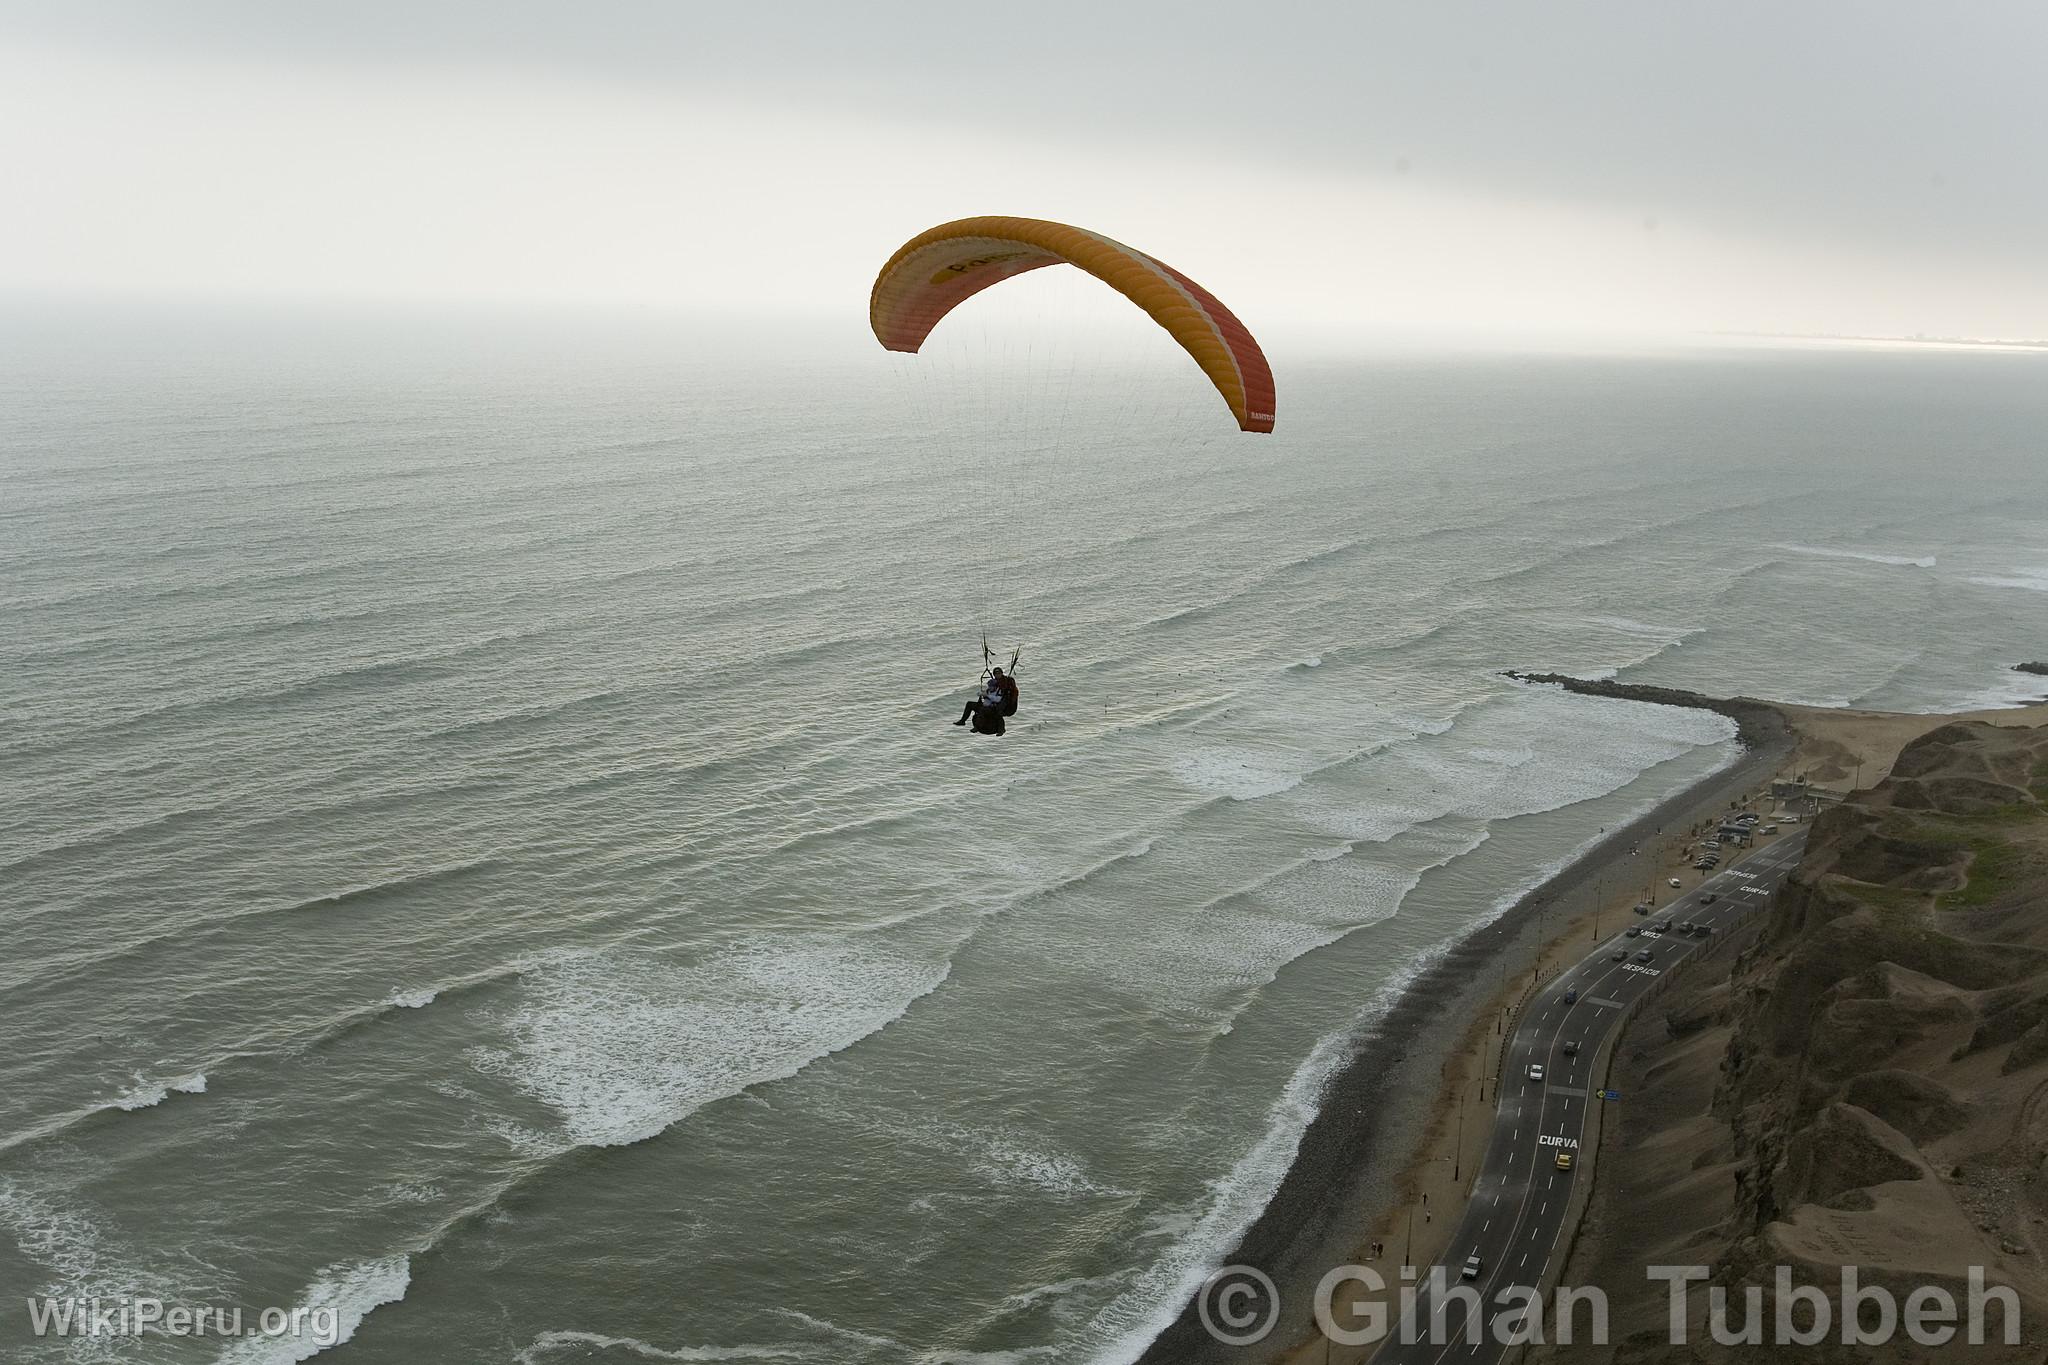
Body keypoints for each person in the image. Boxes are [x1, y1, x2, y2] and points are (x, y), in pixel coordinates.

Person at [954, 666, 1018, 731]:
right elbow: (986, 694)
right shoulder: (993, 685)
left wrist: (988, 696)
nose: (997, 675)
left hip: (996, 707)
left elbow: (998, 699)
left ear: (1002, 673)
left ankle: (978, 727)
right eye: (996, 674)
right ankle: (963, 721)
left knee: (983, 710)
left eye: (999, 673)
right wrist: (983, 694)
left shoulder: (1003, 685)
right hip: (988, 705)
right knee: (969, 704)